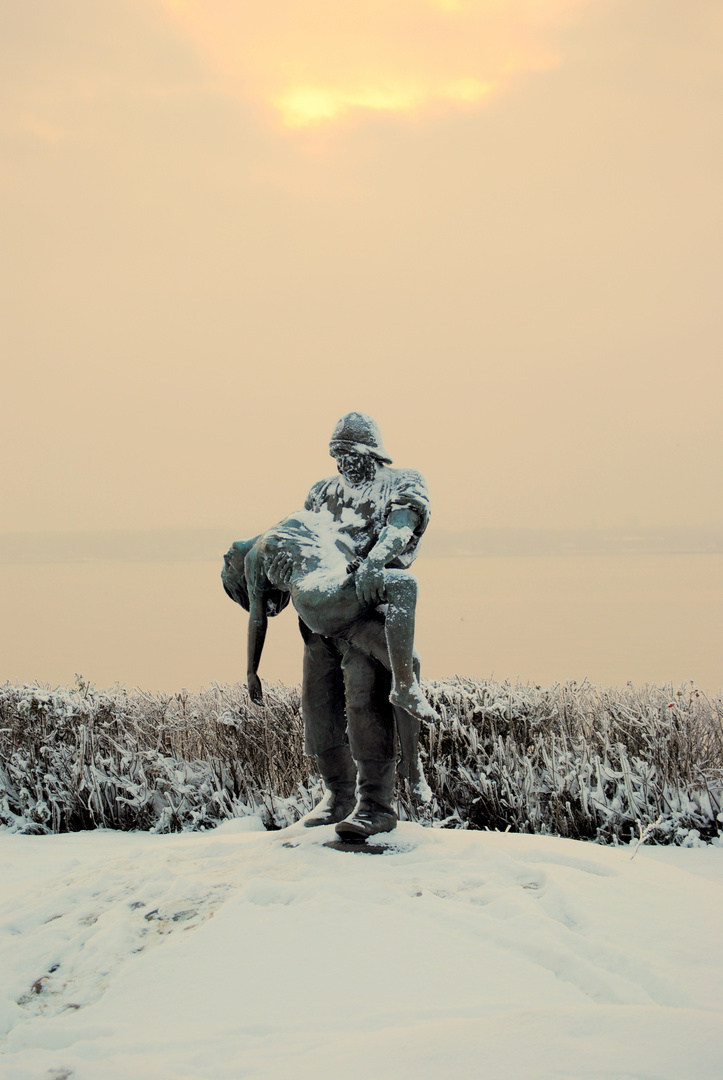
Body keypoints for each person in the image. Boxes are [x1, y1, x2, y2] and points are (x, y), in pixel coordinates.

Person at [296, 412, 432, 839]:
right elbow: (303, 543)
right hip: (322, 615)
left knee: (364, 705)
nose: (342, 462)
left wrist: (374, 560)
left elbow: (403, 525)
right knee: (319, 709)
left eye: (350, 453)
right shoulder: (321, 492)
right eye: (336, 454)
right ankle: (337, 794)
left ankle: (376, 803)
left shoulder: (403, 481)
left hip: (368, 614)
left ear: (371, 451)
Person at [223, 509, 438, 724]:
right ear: (242, 576)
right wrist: (252, 672)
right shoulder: (254, 559)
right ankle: (404, 687)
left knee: (408, 659)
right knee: (404, 585)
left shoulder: (291, 521)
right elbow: (258, 618)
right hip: (316, 598)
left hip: (336, 580)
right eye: (229, 568)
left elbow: (335, 544)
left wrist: (354, 563)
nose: (226, 556)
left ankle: (409, 756)